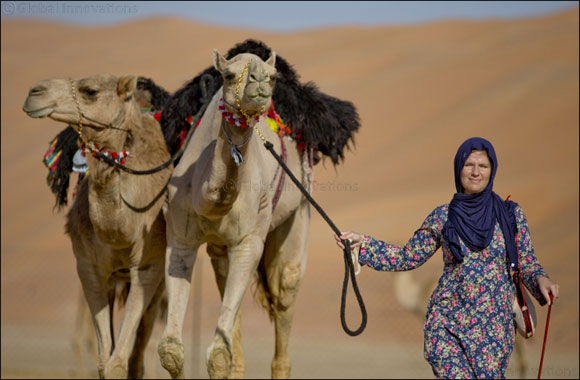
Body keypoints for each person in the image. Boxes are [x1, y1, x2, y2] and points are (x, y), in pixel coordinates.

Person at [335, 137, 559, 379]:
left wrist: (541, 280)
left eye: (482, 166)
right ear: (458, 168)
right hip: (448, 325)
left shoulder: (511, 215)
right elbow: (407, 257)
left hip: (494, 333)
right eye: (468, 165)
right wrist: (362, 245)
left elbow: (525, 261)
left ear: (492, 170)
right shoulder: (443, 217)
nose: (475, 172)